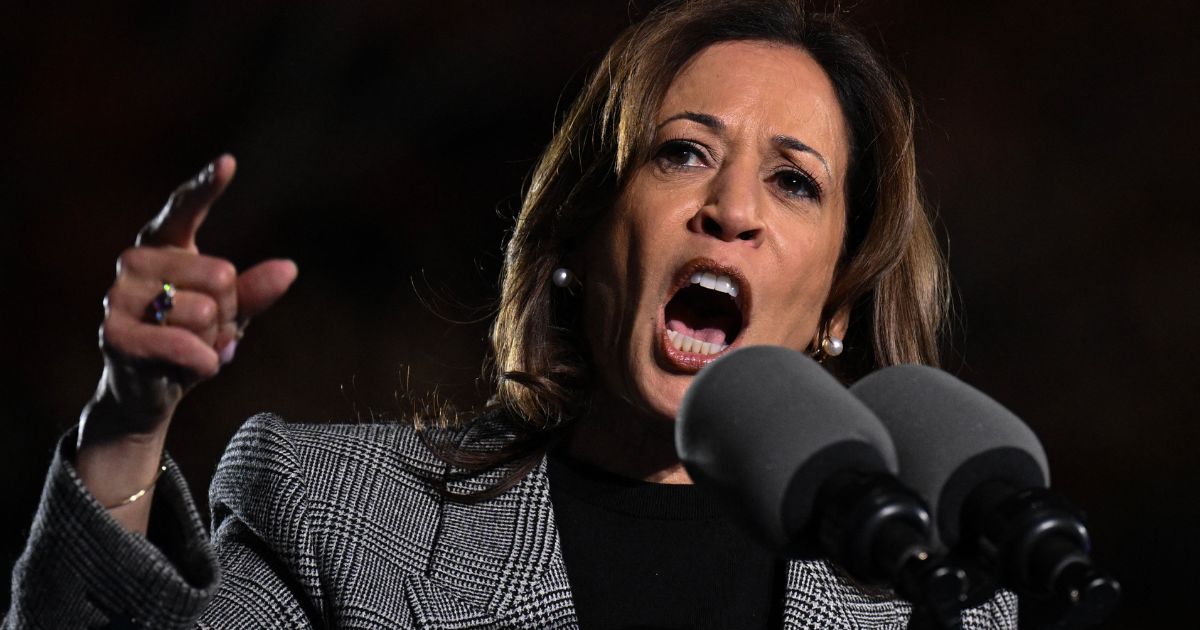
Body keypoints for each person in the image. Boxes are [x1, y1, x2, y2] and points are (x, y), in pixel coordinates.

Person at [6, 1, 1018, 628]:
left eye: (795, 182)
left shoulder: (935, 595)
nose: (732, 210)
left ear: (836, 300)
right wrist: (129, 430)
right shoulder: (339, 520)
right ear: (582, 240)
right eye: (682, 152)